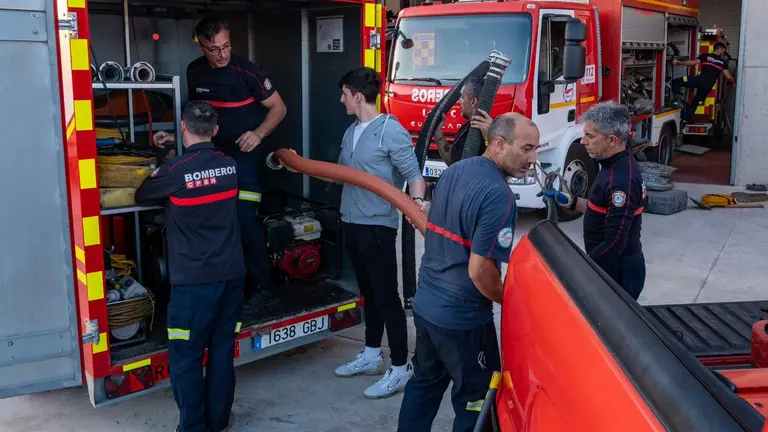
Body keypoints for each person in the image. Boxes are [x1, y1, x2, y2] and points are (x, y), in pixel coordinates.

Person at [397, 112, 541, 432]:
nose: (532, 159)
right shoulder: (499, 196)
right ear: (499, 144)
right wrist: (512, 301)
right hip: (463, 321)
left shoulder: (455, 171)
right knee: (477, 401)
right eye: (526, 148)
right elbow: (480, 271)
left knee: (423, 383)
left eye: (536, 149)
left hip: (427, 307)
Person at [152, 17, 287, 310]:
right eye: (214, 49)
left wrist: (258, 133)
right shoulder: (195, 71)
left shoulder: (248, 72)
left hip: (243, 159)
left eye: (226, 46)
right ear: (200, 46)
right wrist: (176, 136)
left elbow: (279, 107)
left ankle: (265, 287)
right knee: (211, 222)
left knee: (244, 221)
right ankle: (227, 287)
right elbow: (197, 116)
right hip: (209, 157)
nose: (222, 54)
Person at [135, 101, 245, 432]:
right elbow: (205, 172)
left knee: (186, 357)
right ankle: (219, 421)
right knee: (222, 352)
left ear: (182, 127)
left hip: (193, 283)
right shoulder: (229, 166)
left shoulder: (174, 171)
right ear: (215, 130)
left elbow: (143, 195)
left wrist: (166, 159)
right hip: (231, 276)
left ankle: (194, 427)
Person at [328, 67, 427, 399]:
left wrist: (416, 205)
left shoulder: (389, 131)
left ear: (358, 96)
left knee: (386, 297)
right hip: (351, 221)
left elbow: (414, 176)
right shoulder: (351, 131)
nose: (341, 100)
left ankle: (400, 368)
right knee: (368, 293)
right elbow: (342, 173)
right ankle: (372, 355)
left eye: (344, 94)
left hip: (378, 226)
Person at [543, 101, 647, 300]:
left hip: (617, 273)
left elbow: (614, 242)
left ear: (612, 140)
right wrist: (569, 201)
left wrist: (584, 270)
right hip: (608, 266)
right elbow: (603, 209)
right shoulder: (611, 166)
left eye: (590, 136)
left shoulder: (621, 181)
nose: (583, 141)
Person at [670, 41, 736, 126]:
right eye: (723, 51)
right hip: (707, 87)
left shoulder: (705, 56)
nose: (723, 53)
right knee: (695, 103)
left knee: (677, 81)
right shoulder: (723, 63)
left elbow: (692, 63)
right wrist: (733, 82)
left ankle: (677, 99)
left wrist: (678, 62)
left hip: (699, 80)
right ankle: (684, 121)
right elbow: (728, 77)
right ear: (721, 50)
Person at [434, 76, 494, 166]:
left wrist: (490, 137)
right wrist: (438, 133)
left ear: (473, 102)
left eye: (462, 97)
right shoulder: (464, 129)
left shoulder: (493, 131)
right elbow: (454, 163)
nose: (459, 101)